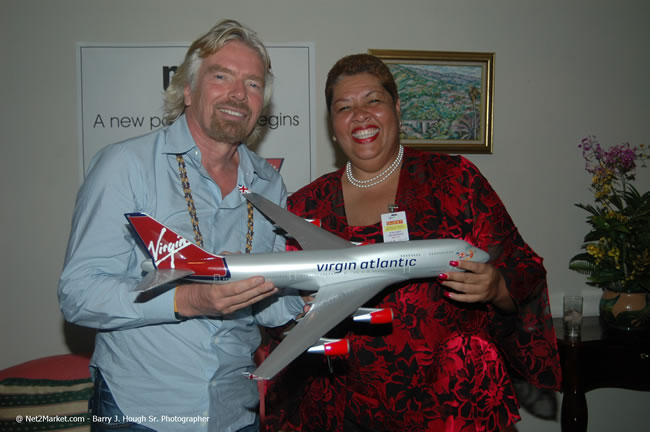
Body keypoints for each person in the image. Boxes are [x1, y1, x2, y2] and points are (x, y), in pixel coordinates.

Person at [262, 54, 561, 432]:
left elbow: (524, 268)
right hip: (344, 408)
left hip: (453, 404)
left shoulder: (455, 181)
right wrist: (297, 307)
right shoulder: (307, 206)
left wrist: (497, 286)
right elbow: (277, 311)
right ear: (333, 125)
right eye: (344, 107)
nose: (361, 115)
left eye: (373, 100)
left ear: (397, 108)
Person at [58, 19, 305, 432]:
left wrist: (308, 299)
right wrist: (188, 300)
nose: (238, 95)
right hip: (139, 411)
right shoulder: (127, 165)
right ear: (187, 90)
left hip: (235, 411)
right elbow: (78, 294)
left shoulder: (269, 183)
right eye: (221, 76)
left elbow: (274, 309)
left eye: (253, 84)